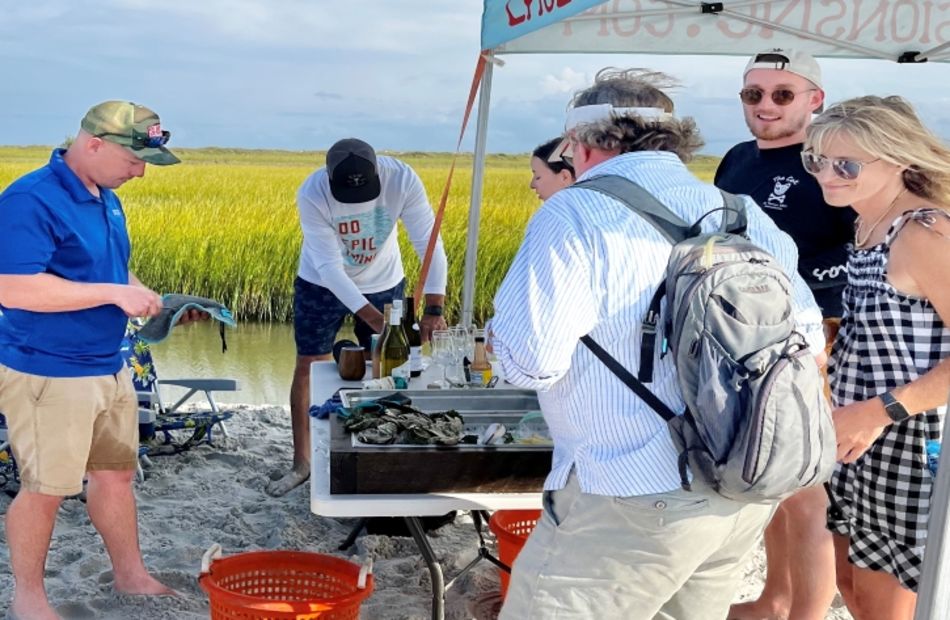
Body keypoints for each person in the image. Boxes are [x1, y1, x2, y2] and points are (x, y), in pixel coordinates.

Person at [489, 68, 826, 619]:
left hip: (630, 496)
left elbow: (530, 364)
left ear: (579, 143)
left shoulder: (573, 213)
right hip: (736, 492)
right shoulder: (746, 214)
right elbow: (808, 344)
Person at [0, 101, 194, 620]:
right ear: (92, 144)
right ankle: (30, 600)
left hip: (108, 364)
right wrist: (112, 292)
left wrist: (140, 292)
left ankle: (130, 576)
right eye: (132, 159)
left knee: (114, 475)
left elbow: (108, 271)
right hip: (48, 369)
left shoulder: (104, 195)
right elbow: (14, 288)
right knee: (45, 490)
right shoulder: (29, 199)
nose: (139, 170)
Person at [715, 48, 854, 620]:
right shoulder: (736, 159)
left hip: (815, 336)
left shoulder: (833, 159)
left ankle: (808, 613)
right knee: (769, 473)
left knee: (804, 484)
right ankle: (776, 597)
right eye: (754, 94)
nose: (765, 106)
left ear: (814, 100)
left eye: (782, 94)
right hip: (749, 332)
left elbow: (864, 239)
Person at [803, 95, 950, 620]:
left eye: (847, 164)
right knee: (853, 589)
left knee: (888, 605)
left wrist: (879, 410)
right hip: (862, 441)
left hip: (914, 445)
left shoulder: (924, 232)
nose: (828, 174)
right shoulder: (866, 225)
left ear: (900, 160)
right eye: (816, 160)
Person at [267, 138, 449, 497]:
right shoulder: (313, 192)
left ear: (378, 171)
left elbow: (428, 244)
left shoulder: (403, 179)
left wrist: (434, 309)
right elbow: (330, 270)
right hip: (320, 283)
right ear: (329, 177)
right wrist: (378, 321)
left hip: (385, 281)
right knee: (309, 364)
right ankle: (302, 462)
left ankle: (379, 456)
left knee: (387, 368)